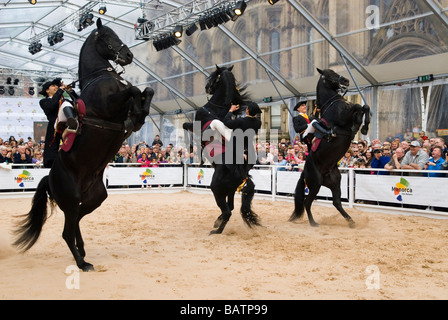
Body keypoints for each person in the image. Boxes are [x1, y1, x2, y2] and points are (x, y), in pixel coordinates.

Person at [39, 78, 78, 168]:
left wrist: (70, 91)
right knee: (51, 148)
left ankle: (72, 121)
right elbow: (51, 106)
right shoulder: (43, 101)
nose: (56, 87)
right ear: (47, 90)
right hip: (55, 125)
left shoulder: (63, 99)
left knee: (67, 103)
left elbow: (77, 102)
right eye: (53, 86)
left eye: (57, 86)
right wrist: (60, 90)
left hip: (66, 125)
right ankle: (51, 166)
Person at [222, 102, 262, 180]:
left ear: (247, 110)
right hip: (248, 149)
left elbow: (226, 122)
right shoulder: (258, 123)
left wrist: (230, 111)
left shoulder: (241, 121)